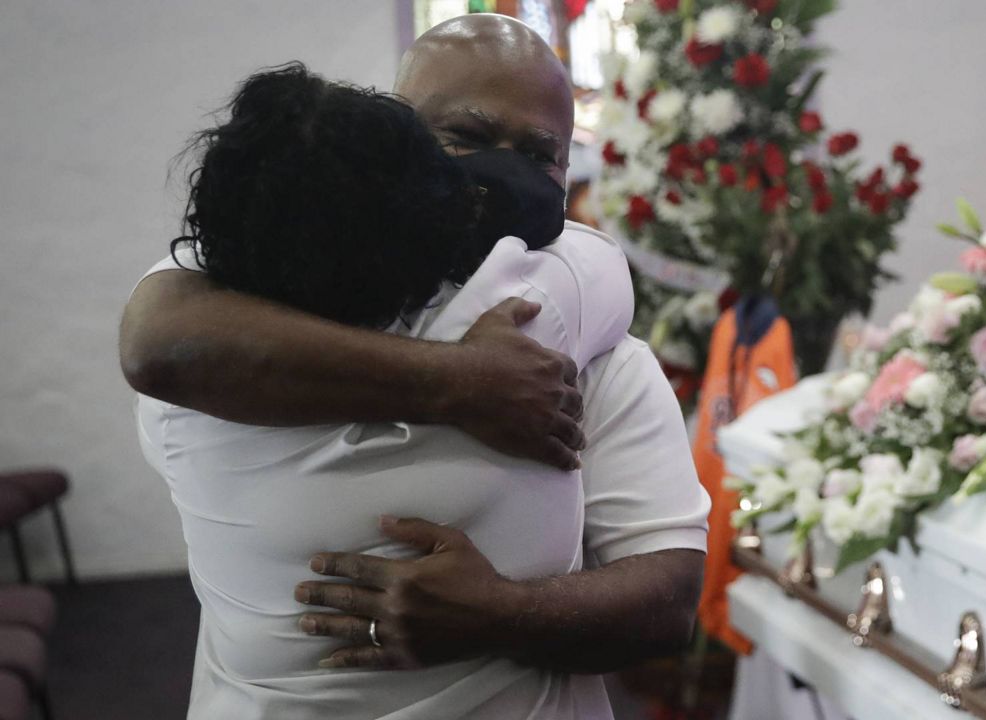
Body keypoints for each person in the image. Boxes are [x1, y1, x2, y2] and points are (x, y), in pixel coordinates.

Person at [122, 15, 711, 720]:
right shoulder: (222, 327)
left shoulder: (583, 350)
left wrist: (505, 614)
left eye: (538, 154)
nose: (504, 175)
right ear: (395, 134)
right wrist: (460, 380)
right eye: (465, 136)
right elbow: (156, 338)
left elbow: (670, 602)